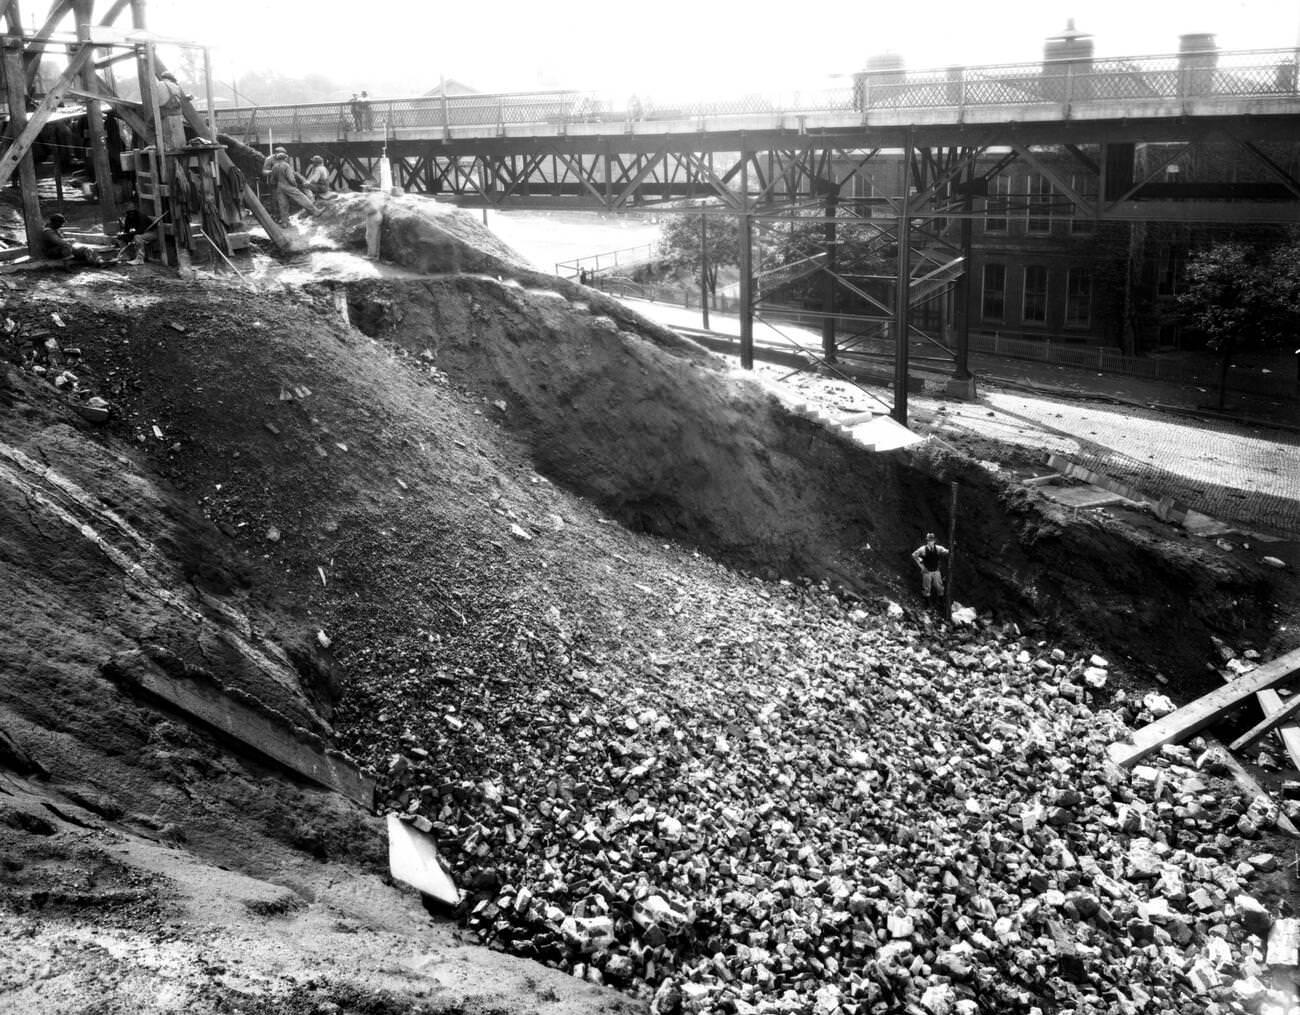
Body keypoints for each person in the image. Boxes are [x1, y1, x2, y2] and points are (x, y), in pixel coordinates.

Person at [41, 213, 115, 267]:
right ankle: (68, 267)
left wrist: (70, 243)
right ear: (55, 223)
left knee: (86, 249)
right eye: (61, 224)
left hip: (62, 249)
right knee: (69, 248)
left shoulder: (55, 229)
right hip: (53, 252)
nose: (62, 226)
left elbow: (62, 241)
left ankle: (100, 262)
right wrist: (69, 243)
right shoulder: (48, 231)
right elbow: (59, 242)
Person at [267, 152, 319, 222]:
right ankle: (315, 211)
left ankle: (284, 222)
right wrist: (295, 185)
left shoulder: (274, 167)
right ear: (285, 158)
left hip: (279, 187)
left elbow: (272, 180)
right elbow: (291, 178)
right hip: (288, 186)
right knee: (302, 198)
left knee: (283, 204)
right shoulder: (286, 166)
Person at [911, 532, 949, 607]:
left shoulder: (938, 548)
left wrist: (952, 547)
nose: (930, 542)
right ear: (927, 541)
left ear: (934, 540)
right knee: (926, 587)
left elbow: (947, 552)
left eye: (932, 540)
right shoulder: (922, 549)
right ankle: (927, 603)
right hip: (927, 571)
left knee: (939, 586)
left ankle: (941, 601)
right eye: (929, 540)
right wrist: (921, 565)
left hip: (936, 570)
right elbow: (914, 555)